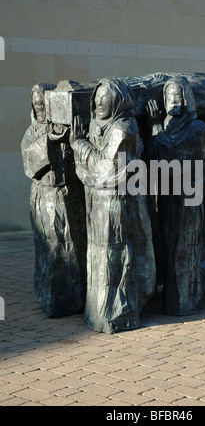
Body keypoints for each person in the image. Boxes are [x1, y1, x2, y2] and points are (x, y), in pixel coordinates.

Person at [70, 77, 156, 334]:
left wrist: (80, 145)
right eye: (96, 98)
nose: (98, 103)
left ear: (117, 100)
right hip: (99, 204)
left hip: (117, 206)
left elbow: (107, 170)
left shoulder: (124, 129)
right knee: (100, 257)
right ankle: (98, 310)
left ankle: (117, 311)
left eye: (104, 98)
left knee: (116, 259)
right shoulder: (101, 124)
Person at [148, 76, 205, 315]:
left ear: (186, 98)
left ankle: (185, 300)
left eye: (177, 96)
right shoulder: (166, 125)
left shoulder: (198, 128)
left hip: (190, 194)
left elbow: (178, 157)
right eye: (169, 96)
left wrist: (156, 129)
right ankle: (171, 297)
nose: (173, 100)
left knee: (185, 245)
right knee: (168, 241)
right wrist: (157, 128)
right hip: (169, 193)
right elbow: (157, 160)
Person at [21, 83, 87, 317]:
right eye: (35, 103)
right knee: (53, 247)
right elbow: (29, 160)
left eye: (42, 103)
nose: (38, 106)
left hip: (69, 195)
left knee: (74, 246)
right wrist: (48, 139)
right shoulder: (33, 131)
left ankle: (76, 296)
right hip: (46, 195)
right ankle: (54, 299)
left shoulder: (66, 125)